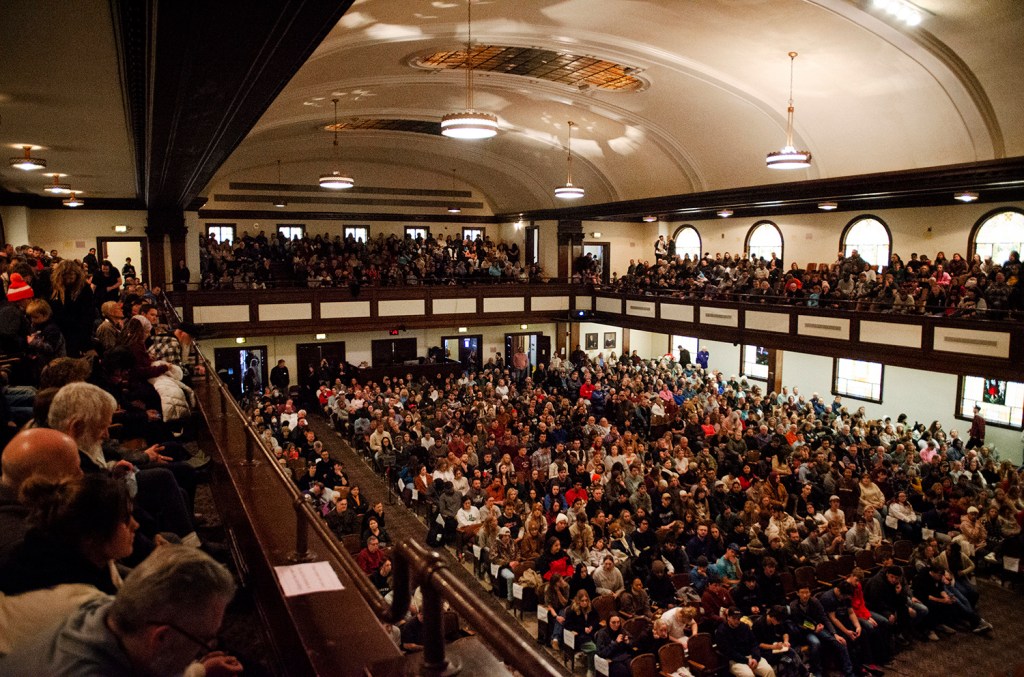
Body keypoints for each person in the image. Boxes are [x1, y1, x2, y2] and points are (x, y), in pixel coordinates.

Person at [0, 544, 241, 676]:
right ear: (161, 637)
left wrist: (199, 670)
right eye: (204, 640)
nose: (206, 649)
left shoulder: (101, 611)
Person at [715, 606, 776, 677]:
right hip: (735, 660)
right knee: (749, 675)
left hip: (751, 656)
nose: (737, 621)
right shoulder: (721, 631)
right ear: (728, 617)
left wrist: (755, 658)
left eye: (738, 618)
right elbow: (729, 652)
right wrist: (746, 660)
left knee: (769, 670)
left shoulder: (744, 627)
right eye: (734, 618)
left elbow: (754, 643)